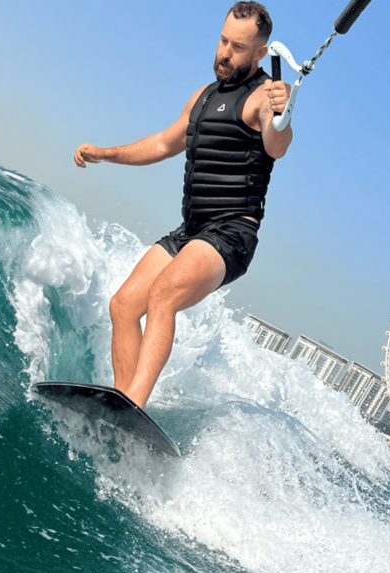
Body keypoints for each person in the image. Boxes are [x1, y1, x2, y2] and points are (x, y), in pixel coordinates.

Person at [73, 1, 292, 408]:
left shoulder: (264, 97)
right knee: (122, 306)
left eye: (238, 47)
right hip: (190, 232)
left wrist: (283, 112)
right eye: (223, 40)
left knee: (163, 294)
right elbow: (162, 143)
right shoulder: (203, 97)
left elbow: (277, 146)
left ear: (260, 53)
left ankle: (135, 402)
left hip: (231, 234)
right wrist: (107, 152)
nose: (225, 52)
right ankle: (124, 401)